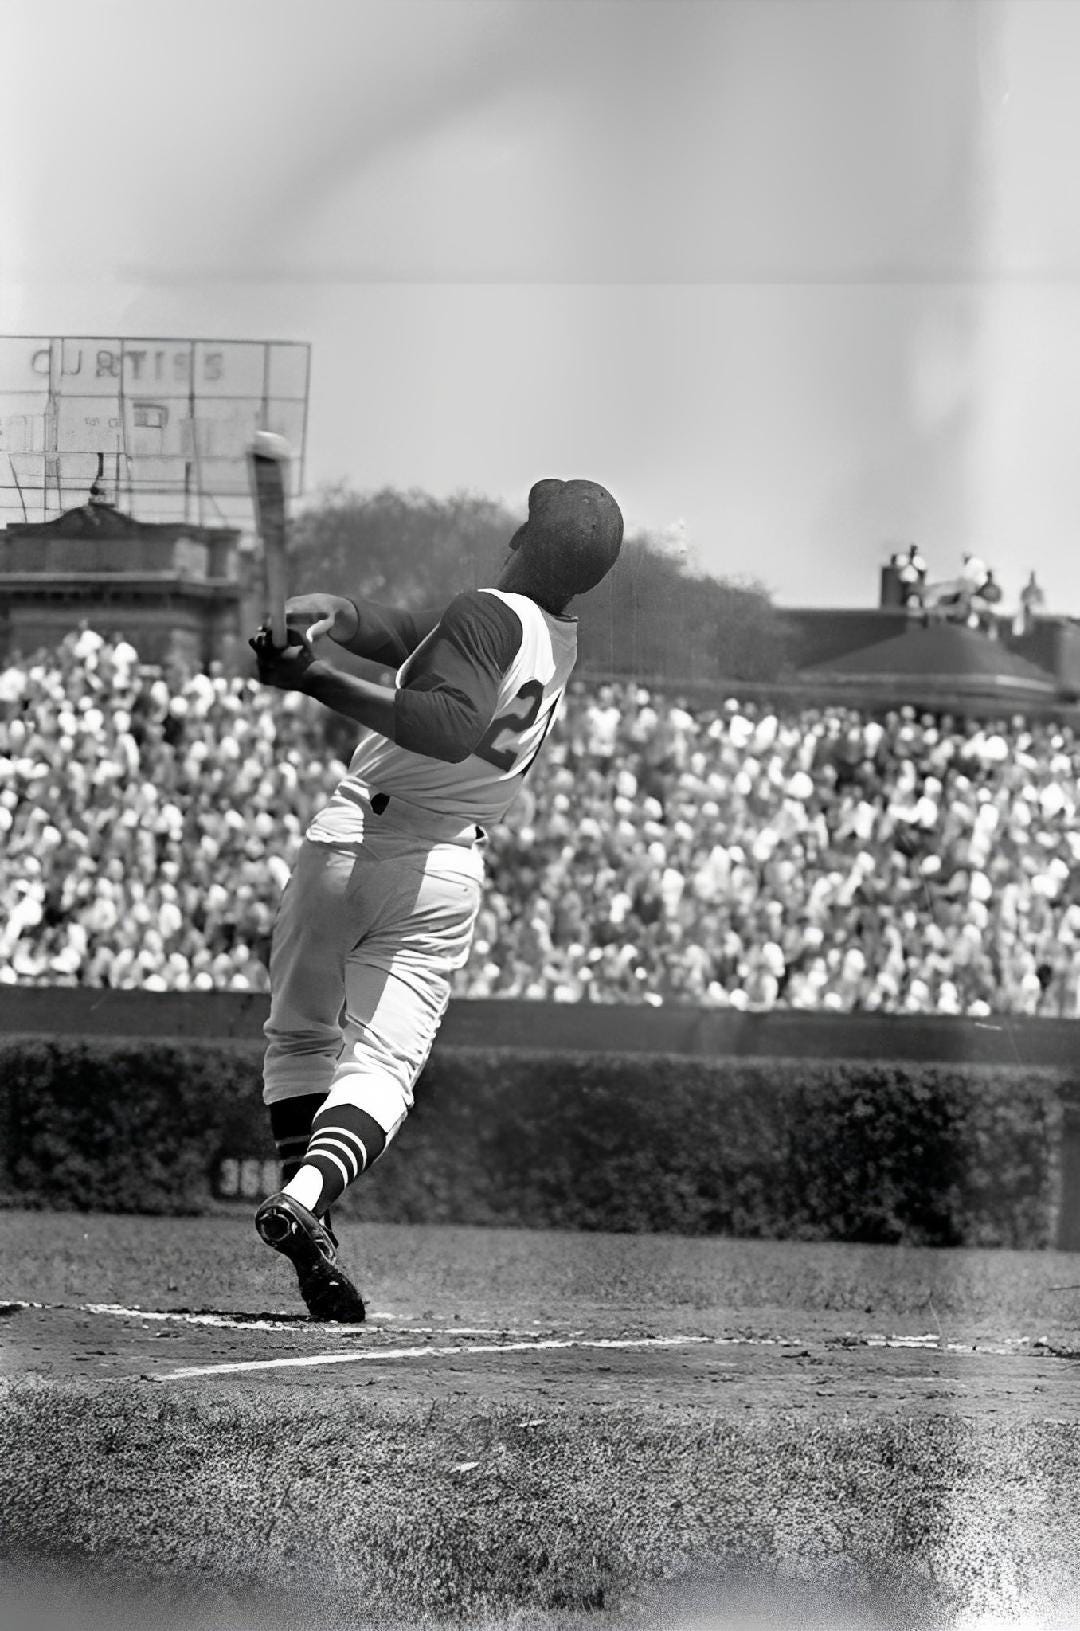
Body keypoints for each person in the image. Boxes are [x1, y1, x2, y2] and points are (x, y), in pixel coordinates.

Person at [248, 477, 624, 1320]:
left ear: (523, 533)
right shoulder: (555, 637)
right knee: (381, 1066)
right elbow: (424, 641)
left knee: (302, 1034)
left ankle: (309, 1207)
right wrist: (342, 615)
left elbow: (448, 718)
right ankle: (308, 1198)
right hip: (448, 866)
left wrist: (315, 677)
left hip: (354, 839)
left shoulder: (490, 613)